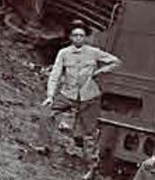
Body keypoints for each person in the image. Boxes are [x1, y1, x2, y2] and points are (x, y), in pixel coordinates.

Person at [37, 22, 121, 163]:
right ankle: (44, 146)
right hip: (68, 94)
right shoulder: (64, 53)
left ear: (85, 37)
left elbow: (116, 61)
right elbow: (55, 75)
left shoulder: (94, 52)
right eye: (75, 35)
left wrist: (100, 72)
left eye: (81, 35)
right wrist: (50, 96)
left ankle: (90, 164)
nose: (78, 38)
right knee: (46, 112)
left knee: (88, 132)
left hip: (89, 96)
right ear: (70, 37)